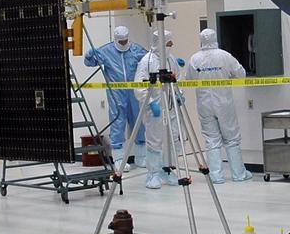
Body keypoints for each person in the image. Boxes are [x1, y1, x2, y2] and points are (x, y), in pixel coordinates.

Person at [184, 28, 252, 183]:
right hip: (224, 103)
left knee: (211, 139)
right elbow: (241, 74)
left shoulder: (195, 59)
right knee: (232, 138)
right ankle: (239, 174)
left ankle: (215, 175)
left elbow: (188, 79)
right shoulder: (224, 56)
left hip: (204, 104)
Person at [83, 25, 146, 169]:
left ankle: (141, 156)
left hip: (134, 90)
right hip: (116, 92)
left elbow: (148, 61)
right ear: (116, 39)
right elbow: (91, 63)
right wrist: (88, 55)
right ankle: (118, 159)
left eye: (125, 41)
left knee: (138, 121)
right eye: (121, 41)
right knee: (118, 121)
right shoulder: (106, 50)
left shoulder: (136, 49)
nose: (123, 44)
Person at [134, 30, 185, 190]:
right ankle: (153, 174)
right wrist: (150, 103)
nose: (171, 46)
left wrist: (179, 94)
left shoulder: (170, 59)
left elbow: (178, 78)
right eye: (168, 43)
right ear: (160, 43)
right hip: (154, 110)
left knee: (173, 139)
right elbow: (139, 87)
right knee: (155, 142)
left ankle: (168, 171)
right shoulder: (146, 61)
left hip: (171, 107)